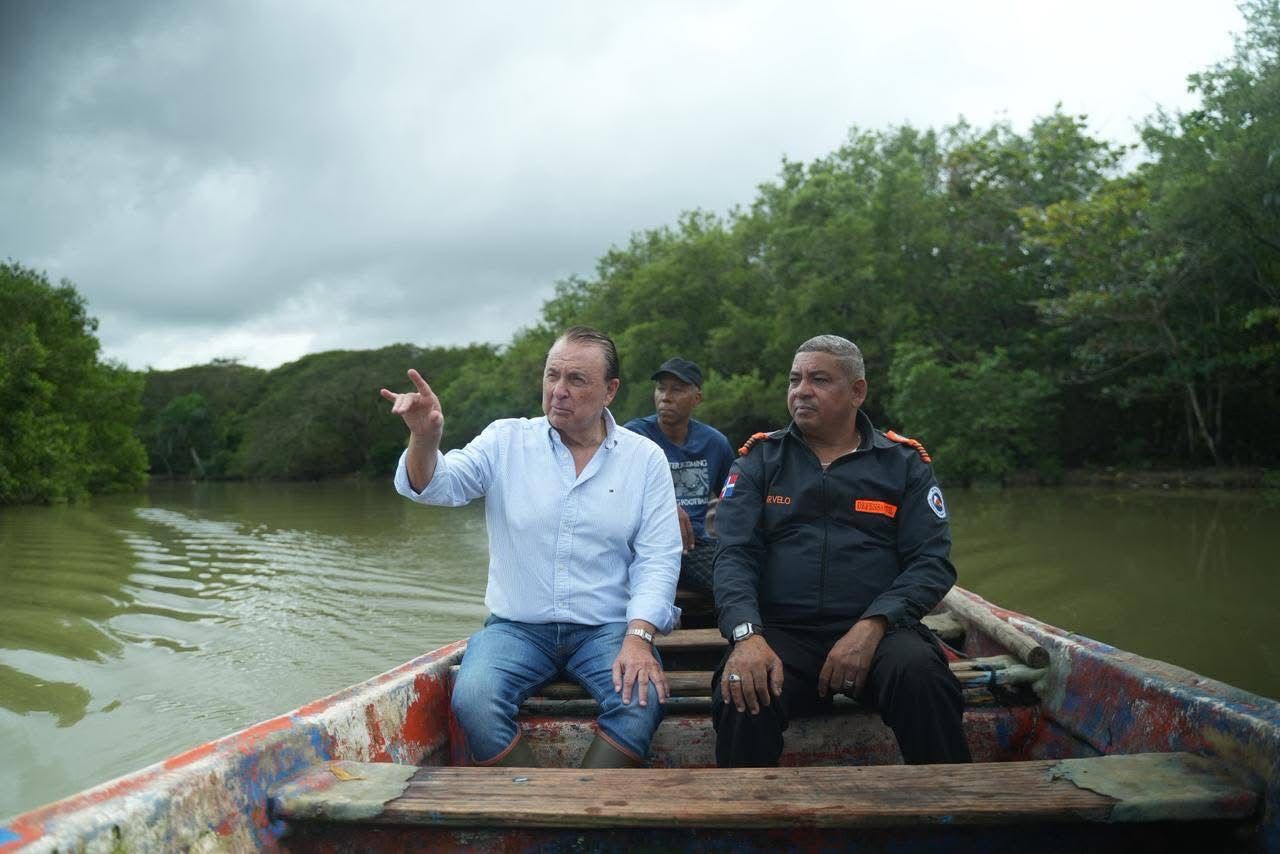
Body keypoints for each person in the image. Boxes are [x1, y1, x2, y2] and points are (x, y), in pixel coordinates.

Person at [381, 326, 682, 769]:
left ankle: (583, 810)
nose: (558, 391)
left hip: (606, 628)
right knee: (474, 701)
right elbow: (437, 485)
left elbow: (658, 558)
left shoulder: (645, 458)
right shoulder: (506, 441)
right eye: (551, 376)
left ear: (610, 390)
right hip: (517, 628)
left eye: (576, 379)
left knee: (640, 701)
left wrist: (638, 638)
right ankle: (533, 797)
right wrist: (424, 439)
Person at [711, 334, 971, 767]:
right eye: (795, 379)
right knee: (742, 685)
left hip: (880, 631)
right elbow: (734, 555)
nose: (801, 390)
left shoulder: (903, 463)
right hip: (781, 634)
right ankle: (747, 825)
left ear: (857, 391)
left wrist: (873, 625)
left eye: (818, 379)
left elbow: (931, 562)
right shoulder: (759, 460)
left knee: (923, 676)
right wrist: (746, 635)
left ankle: (955, 814)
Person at [623, 357, 734, 593]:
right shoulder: (634, 437)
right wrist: (665, 508)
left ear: (697, 399)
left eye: (677, 389)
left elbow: (734, 499)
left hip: (694, 547)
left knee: (737, 577)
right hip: (642, 546)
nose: (666, 396)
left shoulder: (715, 443)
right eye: (661, 388)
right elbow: (613, 492)